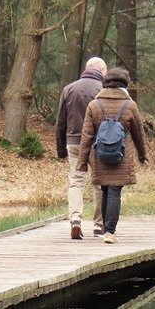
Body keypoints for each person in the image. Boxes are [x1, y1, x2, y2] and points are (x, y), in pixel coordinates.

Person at [76, 67, 148, 244]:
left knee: (105, 189)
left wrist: (82, 161)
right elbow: (138, 134)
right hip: (121, 155)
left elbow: (87, 136)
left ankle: (106, 229)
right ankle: (110, 232)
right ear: (125, 84)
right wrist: (142, 155)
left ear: (105, 83)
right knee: (115, 190)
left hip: (100, 155)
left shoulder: (94, 105)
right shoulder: (130, 105)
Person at [56, 56, 107, 240]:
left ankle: (75, 218)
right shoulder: (103, 90)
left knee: (76, 181)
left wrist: (61, 150)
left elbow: (60, 122)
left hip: (74, 142)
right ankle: (99, 226)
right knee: (100, 183)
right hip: (97, 142)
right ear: (101, 70)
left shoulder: (69, 89)